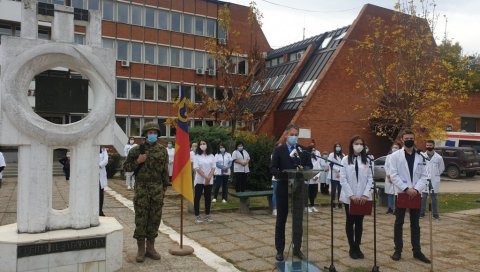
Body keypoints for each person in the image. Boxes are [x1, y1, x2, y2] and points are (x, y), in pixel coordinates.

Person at [123, 122, 169, 263]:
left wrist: (163, 189)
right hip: (142, 188)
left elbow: (165, 171)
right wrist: (138, 161)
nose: (152, 135)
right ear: (145, 134)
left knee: (155, 219)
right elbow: (126, 168)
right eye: (150, 133)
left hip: (157, 188)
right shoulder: (137, 150)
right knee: (141, 219)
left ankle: (151, 248)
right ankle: (141, 249)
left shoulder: (163, 150)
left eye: (154, 132)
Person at [271, 124, 312, 262]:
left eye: (296, 134)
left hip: (299, 189)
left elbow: (309, 166)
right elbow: (273, 168)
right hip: (283, 188)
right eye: (292, 134)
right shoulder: (279, 150)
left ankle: (297, 249)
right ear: (286, 135)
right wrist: (282, 174)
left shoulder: (303, 150)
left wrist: (305, 169)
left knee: (298, 221)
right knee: (281, 220)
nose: (295, 137)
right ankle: (280, 250)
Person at [389, 128, 431, 263]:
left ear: (414, 139)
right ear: (402, 140)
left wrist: (416, 189)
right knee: (399, 223)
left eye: (411, 138)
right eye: (406, 139)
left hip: (416, 194)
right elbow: (393, 175)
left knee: (415, 224)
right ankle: (398, 250)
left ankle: (417, 251)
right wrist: (407, 188)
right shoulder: (395, 156)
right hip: (402, 193)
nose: (408, 141)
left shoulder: (421, 156)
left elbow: (425, 176)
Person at [339, 135, 373, 259]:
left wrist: (365, 194)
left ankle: (357, 246)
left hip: (363, 197)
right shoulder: (345, 160)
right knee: (350, 221)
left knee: (359, 222)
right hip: (349, 197)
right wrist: (351, 195)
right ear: (352, 145)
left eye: (361, 144)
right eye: (356, 143)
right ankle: (351, 247)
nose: (359, 146)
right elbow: (343, 179)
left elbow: (370, 179)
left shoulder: (367, 160)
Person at [420, 140, 445, 219]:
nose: (428, 147)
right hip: (424, 179)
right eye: (427, 145)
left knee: (434, 197)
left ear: (433, 146)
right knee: (423, 197)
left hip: (434, 180)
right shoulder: (421, 156)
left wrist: (435, 175)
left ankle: (435, 214)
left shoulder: (438, 157)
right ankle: (421, 213)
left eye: (430, 145)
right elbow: (419, 168)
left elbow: (441, 168)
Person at [193, 139, 216, 224]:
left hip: (209, 180)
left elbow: (213, 167)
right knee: (197, 197)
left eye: (204, 143)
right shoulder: (196, 156)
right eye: (201, 144)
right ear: (199, 146)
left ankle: (207, 214)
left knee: (208, 197)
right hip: (199, 180)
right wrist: (206, 177)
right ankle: (197, 215)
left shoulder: (211, 156)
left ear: (207, 145)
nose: (202, 145)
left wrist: (209, 177)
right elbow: (197, 168)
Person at [385, 142, 401, 214]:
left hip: (397, 178)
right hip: (389, 177)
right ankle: (390, 208)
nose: (394, 149)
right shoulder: (388, 156)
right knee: (390, 193)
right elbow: (386, 166)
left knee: (396, 194)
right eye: (393, 147)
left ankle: (396, 209)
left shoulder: (401, 156)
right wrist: (388, 176)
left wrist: (395, 177)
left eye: (396, 148)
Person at [328, 143, 345, 208]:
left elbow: (343, 165)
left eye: (339, 146)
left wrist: (340, 172)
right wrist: (338, 170)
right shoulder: (331, 155)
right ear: (334, 147)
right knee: (334, 190)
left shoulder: (343, 155)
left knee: (340, 190)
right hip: (333, 174)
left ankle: (340, 204)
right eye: (337, 146)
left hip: (340, 175)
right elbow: (330, 164)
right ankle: (333, 204)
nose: (338, 147)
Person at [271, 143, 283, 216]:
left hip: (283, 177)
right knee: (275, 193)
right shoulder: (273, 155)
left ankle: (280, 208)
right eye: (279, 146)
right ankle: (275, 209)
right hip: (276, 177)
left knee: (282, 194)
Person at [99, 147, 109, 216]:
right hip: (92, 172)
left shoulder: (103, 150)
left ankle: (100, 210)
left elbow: (106, 160)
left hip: (100, 172)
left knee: (100, 193)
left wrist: (99, 165)